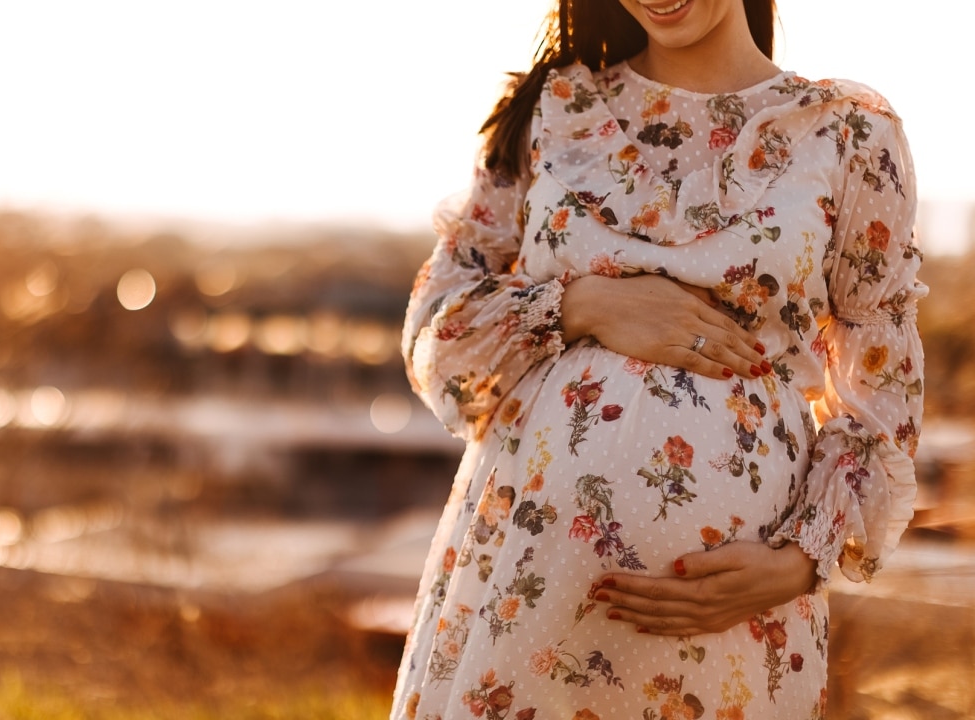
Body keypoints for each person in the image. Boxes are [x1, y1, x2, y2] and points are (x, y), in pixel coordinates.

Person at [392, 0, 925, 717]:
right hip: (524, 601)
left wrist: (801, 560)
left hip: (734, 622)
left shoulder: (848, 133)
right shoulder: (555, 109)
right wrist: (580, 306)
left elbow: (882, 385)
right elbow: (439, 328)